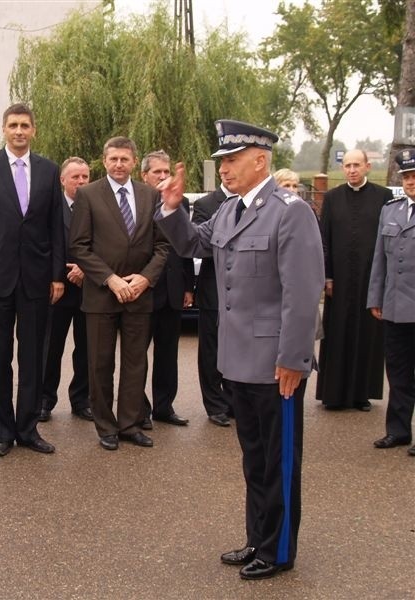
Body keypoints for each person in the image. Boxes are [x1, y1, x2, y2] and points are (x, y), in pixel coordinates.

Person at [156, 120, 324, 580]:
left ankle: (280, 549)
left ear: (259, 159)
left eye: (231, 160)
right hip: (238, 361)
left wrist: (294, 359)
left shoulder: (291, 211)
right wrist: (172, 209)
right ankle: (258, 538)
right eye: (221, 162)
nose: (224, 169)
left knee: (279, 460)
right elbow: (195, 243)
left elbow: (302, 292)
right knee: (254, 459)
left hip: (276, 366)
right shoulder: (230, 211)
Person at [0, 103, 65, 458]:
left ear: (34, 130)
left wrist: (56, 275)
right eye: (13, 125)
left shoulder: (49, 170)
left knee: (33, 357)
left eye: (25, 125)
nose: (19, 131)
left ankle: (28, 428)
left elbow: (55, 227)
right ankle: (3, 431)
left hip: (37, 279)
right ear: (3, 129)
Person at [68, 136, 169, 451]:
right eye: (113, 159)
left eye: (125, 159)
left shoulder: (151, 195)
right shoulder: (88, 194)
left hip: (139, 294)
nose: (119, 164)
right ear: (104, 160)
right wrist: (110, 279)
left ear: (133, 161)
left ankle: (129, 424)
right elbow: (79, 247)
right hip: (101, 294)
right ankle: (106, 426)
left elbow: (163, 245)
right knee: (99, 365)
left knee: (136, 362)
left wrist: (145, 278)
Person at [317, 149, 392, 411]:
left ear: (367, 167)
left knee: (368, 334)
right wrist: (327, 276)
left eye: (356, 165)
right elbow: (323, 240)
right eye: (347, 165)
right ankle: (333, 394)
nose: (351, 170)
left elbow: (387, 240)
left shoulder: (383, 197)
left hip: (370, 279)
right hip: (338, 280)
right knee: (337, 333)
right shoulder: (332, 198)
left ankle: (362, 394)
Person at [140, 150, 193, 427]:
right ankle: (139, 409)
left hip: (172, 291)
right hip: (145, 291)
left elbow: (184, 246)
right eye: (156, 172)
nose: (162, 176)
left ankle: (164, 407)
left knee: (167, 354)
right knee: (138, 356)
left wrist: (187, 285)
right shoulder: (137, 202)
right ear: (144, 176)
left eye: (165, 172)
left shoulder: (178, 203)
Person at [368, 149, 415, 456]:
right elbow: (379, 260)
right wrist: (375, 297)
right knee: (397, 372)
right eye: (407, 177)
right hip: (395, 307)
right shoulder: (391, 210)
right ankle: (398, 431)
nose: (411, 182)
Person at [39, 157, 93, 423]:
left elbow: (105, 242)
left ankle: (82, 400)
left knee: (86, 348)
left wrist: (85, 269)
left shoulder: (96, 205)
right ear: (63, 180)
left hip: (89, 287)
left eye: (85, 177)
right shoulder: (50, 206)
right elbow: (43, 244)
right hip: (57, 288)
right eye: (75, 177)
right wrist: (59, 273)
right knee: (50, 347)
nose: (81, 182)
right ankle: (45, 400)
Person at [192, 183, 236, 427]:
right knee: (211, 351)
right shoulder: (206, 204)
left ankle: (233, 402)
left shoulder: (248, 202)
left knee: (236, 349)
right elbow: (200, 246)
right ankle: (214, 405)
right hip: (213, 289)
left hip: (240, 291)